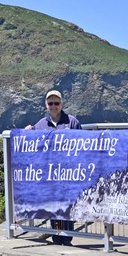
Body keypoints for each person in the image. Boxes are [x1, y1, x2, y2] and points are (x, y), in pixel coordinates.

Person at [25, 89, 81, 245]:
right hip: (50, 175)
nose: (54, 106)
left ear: (61, 104)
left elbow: (84, 145)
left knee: (67, 208)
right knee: (53, 208)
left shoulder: (73, 122)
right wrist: (27, 133)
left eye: (56, 103)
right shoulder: (40, 125)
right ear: (46, 105)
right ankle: (57, 237)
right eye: (51, 103)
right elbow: (32, 145)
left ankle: (67, 238)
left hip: (69, 174)